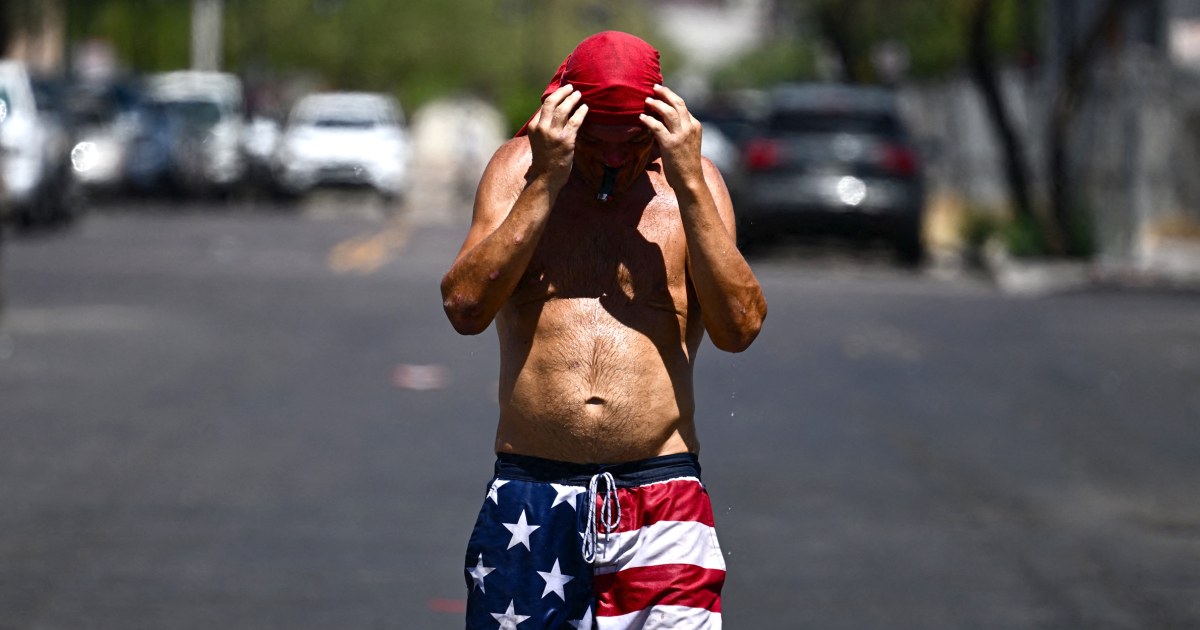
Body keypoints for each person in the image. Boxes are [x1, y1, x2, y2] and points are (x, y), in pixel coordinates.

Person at [441, 31, 767, 629]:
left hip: (660, 495)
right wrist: (546, 181)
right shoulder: (518, 172)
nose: (615, 158)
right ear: (564, 117)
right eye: (598, 141)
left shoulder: (693, 184)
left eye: (632, 140)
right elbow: (465, 308)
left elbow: (739, 328)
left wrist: (691, 182)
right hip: (533, 493)